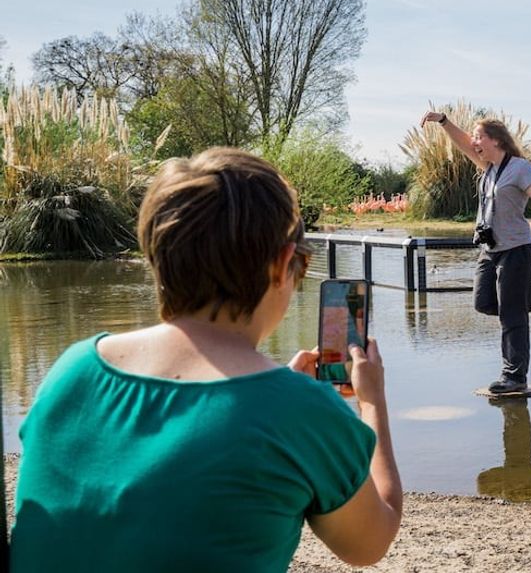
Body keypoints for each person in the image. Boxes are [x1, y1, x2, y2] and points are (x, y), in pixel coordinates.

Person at [11, 148, 402, 571]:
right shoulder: (301, 411)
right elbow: (370, 544)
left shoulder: (73, 370)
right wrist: (371, 403)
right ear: (282, 264)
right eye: (301, 267)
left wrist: (271, 396)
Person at [420, 111, 531, 393]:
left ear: (497, 140)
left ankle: (514, 376)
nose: (474, 142)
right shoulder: (486, 165)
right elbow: (463, 142)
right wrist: (442, 121)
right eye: (475, 138)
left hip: (517, 249)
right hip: (490, 250)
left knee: (512, 316)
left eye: (479, 137)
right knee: (483, 302)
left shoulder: (520, 167)